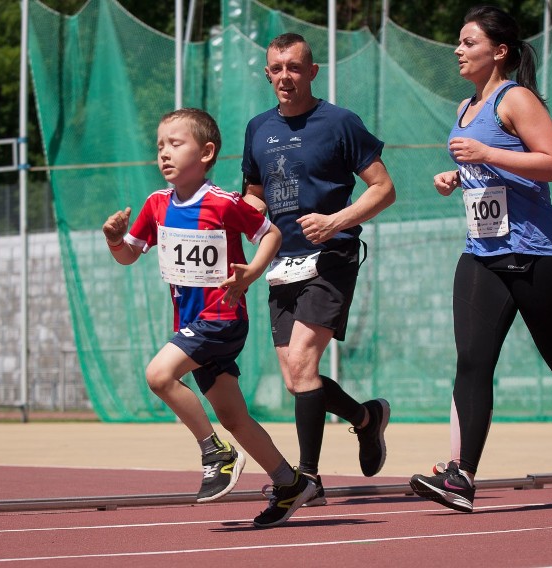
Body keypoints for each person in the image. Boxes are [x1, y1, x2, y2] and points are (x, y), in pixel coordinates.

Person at [409, 6, 552, 513]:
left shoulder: (517, 98)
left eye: (468, 42)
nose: (458, 51)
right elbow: (485, 170)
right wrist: (456, 178)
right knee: (472, 361)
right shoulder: (466, 106)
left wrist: (486, 157)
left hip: (539, 256)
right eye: (458, 43)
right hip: (482, 254)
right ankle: (460, 476)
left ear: (499, 51)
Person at [102, 108, 315, 528]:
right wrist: (113, 240)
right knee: (234, 416)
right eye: (160, 145)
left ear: (207, 153)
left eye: (176, 144)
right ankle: (289, 483)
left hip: (222, 316)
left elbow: (271, 233)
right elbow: (129, 254)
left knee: (159, 376)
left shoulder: (223, 203)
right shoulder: (156, 204)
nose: (164, 153)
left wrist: (253, 271)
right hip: (190, 322)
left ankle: (215, 452)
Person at [241, 33, 397, 504]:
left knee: (305, 363)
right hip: (279, 262)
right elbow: (253, 195)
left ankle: (307, 477)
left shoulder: (340, 123)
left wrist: (337, 221)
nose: (284, 77)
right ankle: (367, 419)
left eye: (294, 67)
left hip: (331, 257)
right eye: (276, 69)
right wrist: (236, 233)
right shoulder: (257, 129)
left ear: (312, 71)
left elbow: (383, 189)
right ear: (267, 74)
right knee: (296, 378)